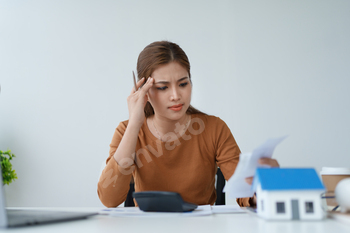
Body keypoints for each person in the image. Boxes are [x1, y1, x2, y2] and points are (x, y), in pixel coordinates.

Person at [97, 41, 279, 208]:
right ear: (144, 91)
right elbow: (109, 199)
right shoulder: (126, 131)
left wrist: (265, 187)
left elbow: (245, 194)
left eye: (183, 84)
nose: (176, 95)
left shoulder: (214, 128)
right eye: (163, 87)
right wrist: (135, 123)